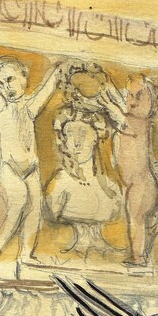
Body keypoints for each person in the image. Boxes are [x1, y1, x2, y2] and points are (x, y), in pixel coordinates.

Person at [0, 50, 62, 262]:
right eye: (1, 83)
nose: (5, 88)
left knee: (35, 209)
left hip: (31, 169)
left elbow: (47, 89)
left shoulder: (30, 107)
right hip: (9, 168)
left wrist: (57, 67)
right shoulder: (0, 108)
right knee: (17, 204)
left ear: (24, 77)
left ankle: (26, 254)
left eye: (10, 80)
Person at [98, 74, 158, 267]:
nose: (133, 101)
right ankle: (137, 255)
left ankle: (138, 257)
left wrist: (109, 103)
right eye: (130, 95)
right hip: (130, 182)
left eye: (140, 96)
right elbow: (118, 105)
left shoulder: (140, 122)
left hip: (142, 183)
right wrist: (107, 85)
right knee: (133, 218)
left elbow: (122, 121)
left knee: (137, 220)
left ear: (153, 103)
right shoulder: (128, 115)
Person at [45, 105, 121, 257]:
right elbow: (52, 213)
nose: (76, 143)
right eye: (70, 134)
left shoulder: (111, 187)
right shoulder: (59, 184)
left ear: (95, 138)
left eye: (83, 133)